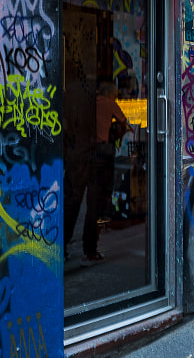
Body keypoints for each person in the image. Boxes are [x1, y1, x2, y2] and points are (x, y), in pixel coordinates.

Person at [65, 78, 130, 265]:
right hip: (100, 155)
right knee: (95, 204)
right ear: (111, 94)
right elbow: (123, 122)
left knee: (72, 202)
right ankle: (90, 250)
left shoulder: (87, 103)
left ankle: (62, 248)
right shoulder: (109, 103)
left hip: (78, 154)